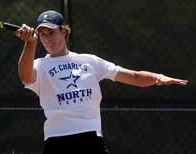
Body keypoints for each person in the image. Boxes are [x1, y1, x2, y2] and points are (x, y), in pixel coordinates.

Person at [15, 10, 188, 154]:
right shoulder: (39, 65)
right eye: (42, 34)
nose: (46, 38)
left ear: (64, 32)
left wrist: (157, 77)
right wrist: (30, 43)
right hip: (57, 141)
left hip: (91, 138)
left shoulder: (90, 61)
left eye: (51, 32)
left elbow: (134, 77)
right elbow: (25, 77)